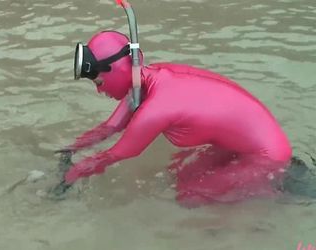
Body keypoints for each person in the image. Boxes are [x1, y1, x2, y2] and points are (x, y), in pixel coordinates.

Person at [55, 29, 294, 207]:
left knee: (189, 197)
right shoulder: (150, 78)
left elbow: (118, 153)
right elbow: (112, 126)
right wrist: (70, 149)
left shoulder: (157, 108)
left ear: (116, 71)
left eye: (98, 82)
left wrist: (71, 176)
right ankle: (278, 182)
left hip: (268, 155)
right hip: (247, 143)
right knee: (181, 173)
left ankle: (275, 198)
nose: (99, 90)